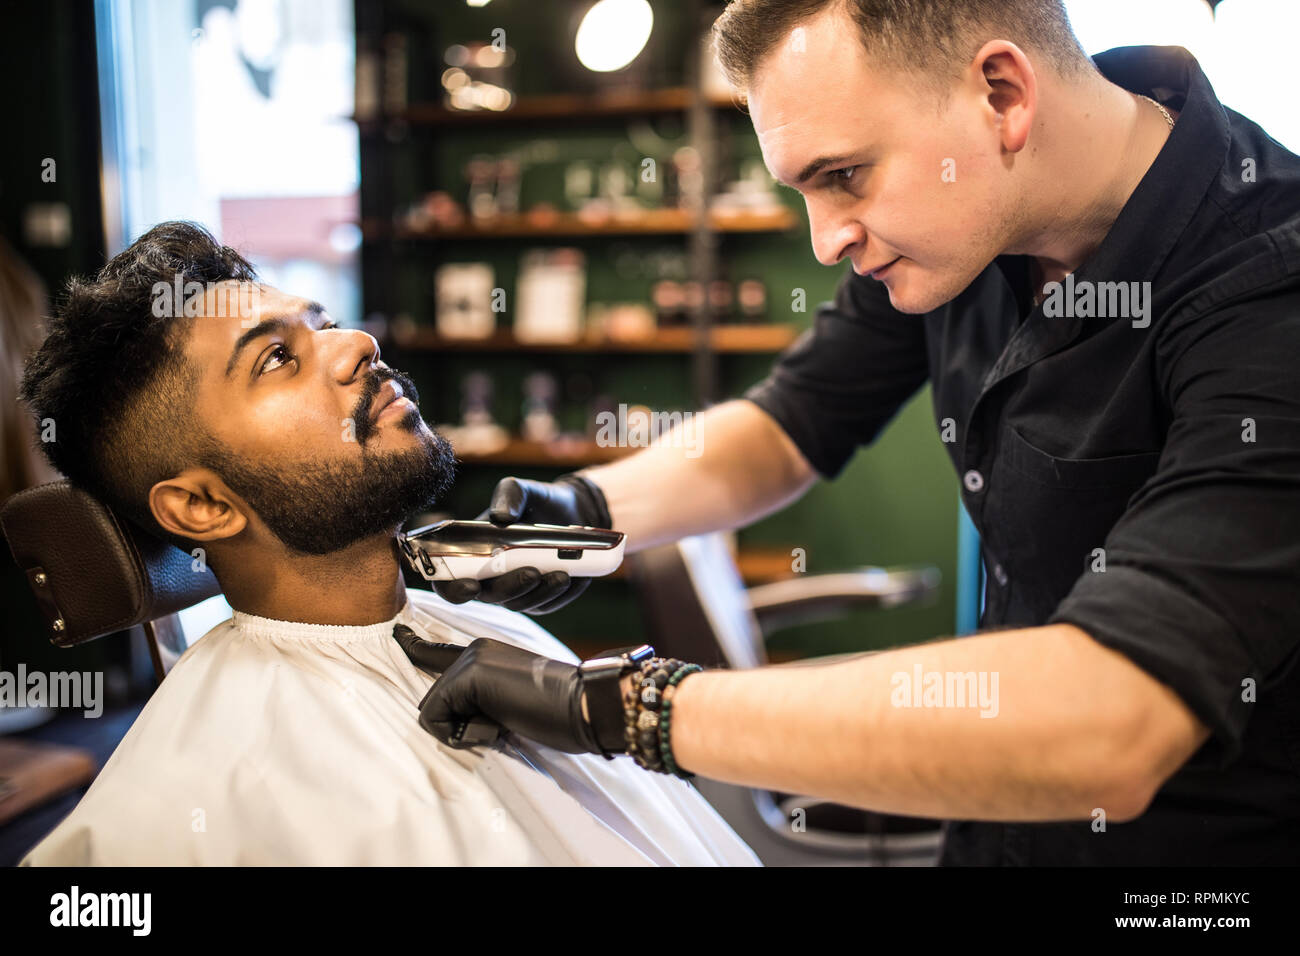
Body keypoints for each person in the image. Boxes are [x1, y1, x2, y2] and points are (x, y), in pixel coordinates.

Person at [411, 0, 1300, 865]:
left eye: (843, 176)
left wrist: (621, 708)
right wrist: (578, 512)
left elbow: (1115, 718)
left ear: (1003, 95)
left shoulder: (1269, 294)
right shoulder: (968, 217)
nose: (826, 241)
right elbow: (789, 423)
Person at [14, 222, 759, 866]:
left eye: (324, 322)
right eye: (277, 358)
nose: (357, 345)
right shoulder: (195, 794)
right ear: (202, 506)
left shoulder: (489, 634)